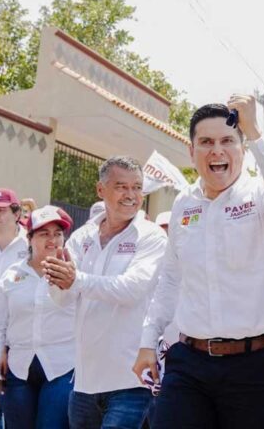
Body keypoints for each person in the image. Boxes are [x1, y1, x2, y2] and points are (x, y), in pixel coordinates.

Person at [133, 96, 264, 428]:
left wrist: (255, 132)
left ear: (242, 150)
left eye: (228, 141)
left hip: (255, 367)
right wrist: (147, 342)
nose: (217, 150)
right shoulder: (184, 203)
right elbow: (170, 279)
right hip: (189, 363)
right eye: (206, 142)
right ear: (191, 151)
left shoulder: (263, 195)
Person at [45, 156, 167, 429]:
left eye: (137, 187)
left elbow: (132, 289)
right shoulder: (82, 237)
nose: (131, 195)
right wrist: (57, 281)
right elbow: (62, 298)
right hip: (85, 381)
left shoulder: (151, 236)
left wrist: (75, 280)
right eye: (121, 186)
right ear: (100, 190)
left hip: (131, 380)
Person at [0, 206, 75, 429]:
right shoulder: (11, 276)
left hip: (62, 366)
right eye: (44, 233)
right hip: (19, 368)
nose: (52, 239)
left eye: (58, 233)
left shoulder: (75, 274)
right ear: (29, 238)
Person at [0, 188, 28, 429]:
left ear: (16, 213)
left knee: (6, 406)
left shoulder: (31, 245)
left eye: (2, 210)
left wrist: (4, 346)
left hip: (16, 341)